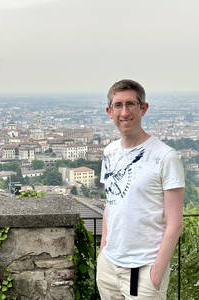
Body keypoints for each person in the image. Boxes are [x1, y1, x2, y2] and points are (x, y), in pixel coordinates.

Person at [96, 79, 185, 299]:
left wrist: (156, 273)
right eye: (118, 105)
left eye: (131, 104)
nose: (124, 112)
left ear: (143, 108)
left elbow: (175, 223)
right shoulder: (109, 152)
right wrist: (102, 252)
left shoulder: (165, 157)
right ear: (109, 111)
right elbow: (111, 203)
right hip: (109, 266)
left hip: (144, 269)